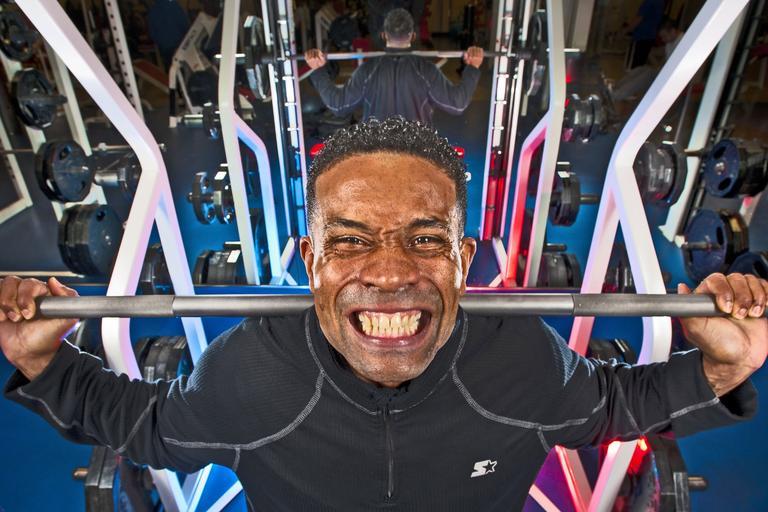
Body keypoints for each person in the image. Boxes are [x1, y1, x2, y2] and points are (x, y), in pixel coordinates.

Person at [1, 117, 766, 510]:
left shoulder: (519, 360)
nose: (392, 274)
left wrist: (724, 366)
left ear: (464, 258)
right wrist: (44, 361)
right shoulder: (254, 371)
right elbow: (148, 428)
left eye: (426, 240)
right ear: (311, 261)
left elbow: (615, 406)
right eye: (351, 241)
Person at [305, 8, 484, 125]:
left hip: (378, 154)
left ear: (384, 35)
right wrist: (473, 67)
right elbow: (457, 104)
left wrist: (318, 70)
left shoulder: (367, 70)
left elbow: (338, 106)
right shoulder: (427, 70)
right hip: (416, 155)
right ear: (413, 36)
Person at [625, 0, 665, 69]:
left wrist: (625, 31)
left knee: (632, 67)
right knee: (640, 65)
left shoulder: (649, 2)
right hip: (650, 37)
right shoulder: (661, 2)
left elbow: (638, 19)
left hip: (640, 37)